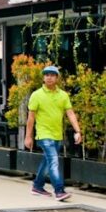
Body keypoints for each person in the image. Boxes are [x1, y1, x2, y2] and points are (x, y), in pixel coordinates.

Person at [25, 66, 82, 201]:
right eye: (46, 75)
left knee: (47, 161)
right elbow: (31, 118)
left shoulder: (63, 95)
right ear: (43, 78)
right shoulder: (36, 95)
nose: (49, 77)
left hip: (57, 135)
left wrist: (78, 131)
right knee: (54, 161)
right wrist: (28, 136)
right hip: (44, 135)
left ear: (57, 78)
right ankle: (59, 190)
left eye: (52, 75)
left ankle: (37, 186)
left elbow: (70, 113)